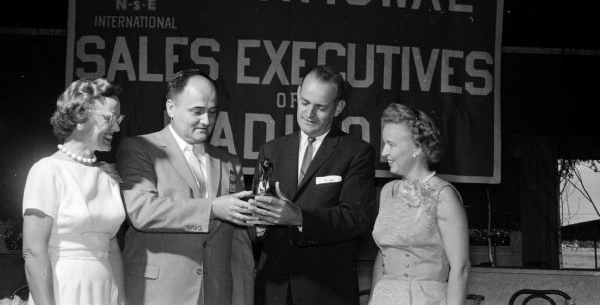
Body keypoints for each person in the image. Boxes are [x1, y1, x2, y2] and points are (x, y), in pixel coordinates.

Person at [116, 69, 255, 305]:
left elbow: (239, 245)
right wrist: (211, 208)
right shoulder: (139, 149)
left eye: (212, 112)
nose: (207, 121)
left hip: (216, 295)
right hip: (157, 295)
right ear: (171, 108)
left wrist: (259, 225)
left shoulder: (230, 162)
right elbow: (142, 211)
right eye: (197, 111)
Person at [250, 65, 376, 305]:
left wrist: (299, 217)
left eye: (320, 107)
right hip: (272, 290)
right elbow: (256, 219)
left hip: (326, 292)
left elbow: (357, 218)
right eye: (305, 102)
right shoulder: (271, 150)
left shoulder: (356, 152)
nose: (309, 113)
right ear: (297, 95)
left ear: (338, 108)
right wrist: (258, 227)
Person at [22, 78, 126, 305]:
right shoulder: (47, 170)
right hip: (63, 289)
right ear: (79, 118)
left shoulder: (107, 175)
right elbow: (33, 251)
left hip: (104, 289)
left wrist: (122, 300)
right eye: (109, 118)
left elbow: (111, 246)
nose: (116, 127)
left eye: (118, 119)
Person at [369, 103, 470, 305]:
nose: (383, 152)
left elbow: (461, 268)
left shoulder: (444, 195)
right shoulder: (388, 191)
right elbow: (382, 257)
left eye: (391, 144)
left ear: (416, 147)